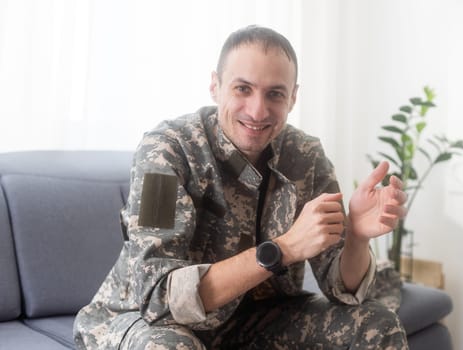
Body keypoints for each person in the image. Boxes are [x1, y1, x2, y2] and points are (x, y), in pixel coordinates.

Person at [73, 25, 409, 349]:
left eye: (275, 94)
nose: (258, 110)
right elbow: (160, 296)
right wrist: (284, 248)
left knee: (377, 325)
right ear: (215, 86)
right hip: (146, 321)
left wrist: (357, 239)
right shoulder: (164, 152)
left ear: (292, 98)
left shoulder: (306, 157)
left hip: (252, 321)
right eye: (242, 89)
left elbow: (342, 289)